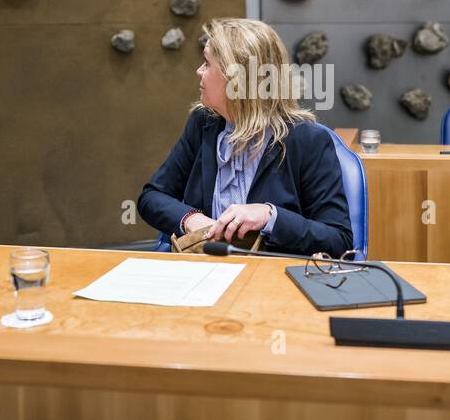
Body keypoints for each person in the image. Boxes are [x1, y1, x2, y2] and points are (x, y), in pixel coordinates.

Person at [138, 18, 353, 257]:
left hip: (269, 281)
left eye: (207, 64)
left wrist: (270, 216)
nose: (198, 71)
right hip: (202, 270)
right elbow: (152, 197)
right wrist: (191, 219)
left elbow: (339, 240)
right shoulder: (203, 123)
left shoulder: (306, 140)